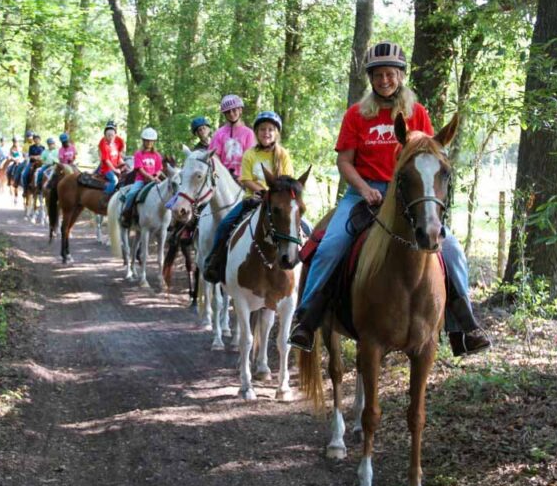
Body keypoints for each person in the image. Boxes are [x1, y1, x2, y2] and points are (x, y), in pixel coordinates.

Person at [288, 41, 491, 357]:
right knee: (329, 246)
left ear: (400, 76)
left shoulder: (417, 113)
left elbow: (428, 158)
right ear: (371, 79)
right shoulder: (356, 115)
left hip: (408, 194)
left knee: (451, 251)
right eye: (378, 75)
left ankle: (464, 324)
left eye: (390, 74)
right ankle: (306, 319)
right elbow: (344, 161)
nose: (384, 80)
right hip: (362, 191)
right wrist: (364, 188)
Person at [203, 111, 293, 283]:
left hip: (278, 203)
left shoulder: (283, 155)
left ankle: (304, 264)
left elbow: (287, 181)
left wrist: (272, 195)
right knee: (225, 225)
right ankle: (214, 262)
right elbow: (245, 179)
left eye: (270, 130)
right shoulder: (250, 154)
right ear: (257, 133)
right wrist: (263, 192)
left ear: (276, 133)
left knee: (303, 227)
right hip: (253, 200)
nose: (266, 133)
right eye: (262, 130)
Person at [120, 127, 163, 227]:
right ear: (143, 141)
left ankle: (167, 219)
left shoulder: (157, 155)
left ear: (154, 142)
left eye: (151, 141)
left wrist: (155, 176)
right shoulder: (138, 154)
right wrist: (150, 177)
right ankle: (126, 214)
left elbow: (159, 169)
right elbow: (140, 169)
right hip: (141, 180)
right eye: (147, 140)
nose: (149, 143)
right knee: (131, 193)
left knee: (166, 192)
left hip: (154, 180)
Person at [209, 95, 256, 178]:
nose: (231, 114)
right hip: (223, 178)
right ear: (224, 114)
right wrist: (222, 172)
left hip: (243, 178)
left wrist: (243, 176)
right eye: (228, 112)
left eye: (234, 110)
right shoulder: (219, 133)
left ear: (240, 110)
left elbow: (250, 158)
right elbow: (214, 155)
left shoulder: (249, 133)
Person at [96, 120, 126, 194]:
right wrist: (114, 169)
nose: (110, 136)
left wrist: (122, 163)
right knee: (114, 180)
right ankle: (105, 195)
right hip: (107, 166)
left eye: (112, 134)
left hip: (115, 163)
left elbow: (119, 154)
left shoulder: (117, 142)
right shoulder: (103, 142)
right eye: (108, 134)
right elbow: (105, 158)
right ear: (105, 134)